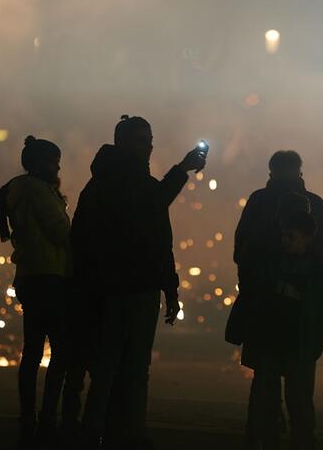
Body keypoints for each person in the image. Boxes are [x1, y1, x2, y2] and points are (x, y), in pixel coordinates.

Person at [73, 115, 206, 449]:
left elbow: (161, 239)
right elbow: (150, 210)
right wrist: (182, 169)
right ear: (122, 143)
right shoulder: (112, 185)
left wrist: (170, 288)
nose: (148, 146)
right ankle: (114, 433)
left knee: (126, 368)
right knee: (115, 368)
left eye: (149, 139)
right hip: (115, 291)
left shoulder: (112, 183)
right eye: (141, 140)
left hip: (136, 289)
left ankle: (116, 432)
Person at [231, 150, 323, 448]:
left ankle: (259, 438)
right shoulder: (316, 206)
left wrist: (255, 286)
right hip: (299, 323)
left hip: (265, 316)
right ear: (299, 170)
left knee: (264, 389)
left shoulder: (258, 202)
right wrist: (314, 279)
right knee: (299, 395)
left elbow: (240, 253)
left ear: (271, 171)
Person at [0, 135, 71, 448]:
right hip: (49, 277)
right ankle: (47, 416)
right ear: (41, 163)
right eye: (54, 161)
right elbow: (61, 232)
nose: (58, 166)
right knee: (61, 352)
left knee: (33, 350)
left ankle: (28, 416)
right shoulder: (37, 191)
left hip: (30, 277)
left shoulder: (22, 189)